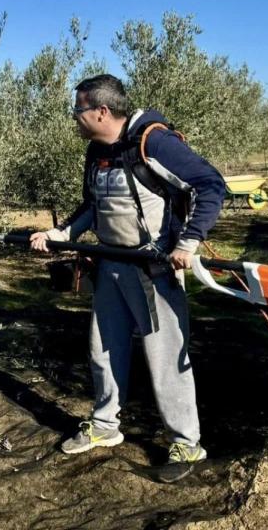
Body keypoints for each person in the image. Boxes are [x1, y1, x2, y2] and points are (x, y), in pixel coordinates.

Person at [30, 74, 225, 482]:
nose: (74, 118)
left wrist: (188, 243)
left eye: (78, 110)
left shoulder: (153, 141)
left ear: (101, 111)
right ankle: (104, 426)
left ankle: (187, 444)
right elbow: (93, 204)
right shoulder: (95, 150)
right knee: (102, 349)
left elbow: (211, 185)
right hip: (110, 266)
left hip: (154, 271)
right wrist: (62, 235)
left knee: (166, 358)